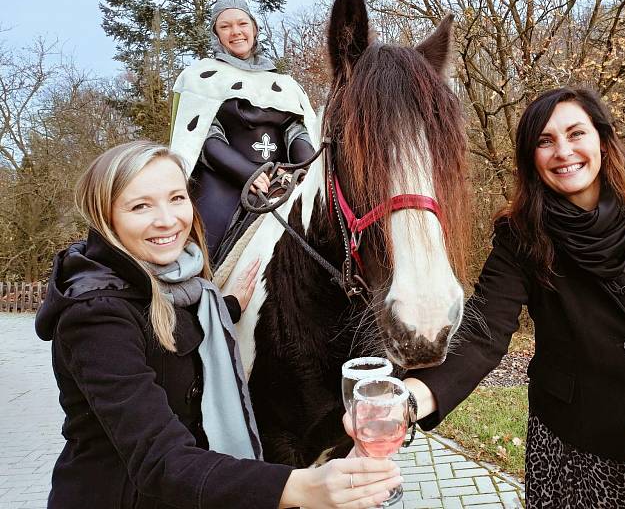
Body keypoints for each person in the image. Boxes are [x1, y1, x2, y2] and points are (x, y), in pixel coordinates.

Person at [403, 87, 625, 507]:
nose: (563, 151)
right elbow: (484, 333)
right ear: (530, 158)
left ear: (602, 139)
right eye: (545, 141)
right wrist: (412, 398)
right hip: (578, 448)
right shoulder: (520, 237)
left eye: (576, 134)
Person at [35, 141, 401, 509]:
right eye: (141, 206)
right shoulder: (94, 317)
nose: (167, 219)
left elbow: (174, 330)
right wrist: (301, 487)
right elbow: (160, 461)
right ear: (104, 216)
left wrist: (227, 307)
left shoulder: (181, 285)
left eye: (177, 198)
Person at [169, 0, 315, 264]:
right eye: (225, 26)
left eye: (242, 24)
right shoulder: (200, 78)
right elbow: (204, 136)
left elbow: (297, 130)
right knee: (202, 246)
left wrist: (305, 167)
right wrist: (248, 172)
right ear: (216, 34)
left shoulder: (285, 85)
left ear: (254, 28)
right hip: (225, 178)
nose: (235, 32)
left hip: (281, 175)